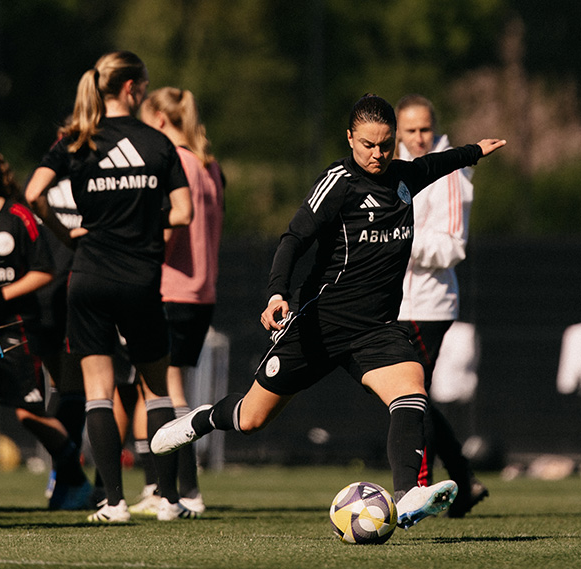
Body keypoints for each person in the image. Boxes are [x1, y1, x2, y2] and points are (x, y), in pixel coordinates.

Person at [152, 94, 505, 529]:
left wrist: (475, 152)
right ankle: (202, 419)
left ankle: (407, 493)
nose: (378, 154)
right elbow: (293, 240)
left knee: (411, 390)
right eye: (368, 145)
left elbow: (441, 163)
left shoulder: (403, 177)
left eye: (386, 145)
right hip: (319, 325)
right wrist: (276, 294)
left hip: (375, 329)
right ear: (350, 138)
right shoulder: (338, 181)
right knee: (252, 417)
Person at [25, 51, 193, 524]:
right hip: (140, 280)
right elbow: (183, 213)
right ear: (135, 88)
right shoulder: (158, 142)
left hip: (90, 277)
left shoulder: (77, 140)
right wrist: (143, 221)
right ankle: (169, 499)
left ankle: (113, 504)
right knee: (157, 391)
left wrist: (67, 234)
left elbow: (33, 193)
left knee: (98, 392)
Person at [0, 148, 92, 510]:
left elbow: (44, 269)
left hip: (19, 324)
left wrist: (0, 295)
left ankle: (75, 477)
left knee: (29, 412)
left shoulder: (18, 215)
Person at [130, 87, 225, 516]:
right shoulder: (210, 164)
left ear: (161, 121)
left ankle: (178, 490)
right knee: (175, 388)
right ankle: (179, 487)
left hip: (171, 288)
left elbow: (169, 230)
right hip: (202, 294)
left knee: (164, 391)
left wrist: (141, 266)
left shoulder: (174, 161)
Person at [395, 94, 488, 518]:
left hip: (429, 305)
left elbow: (452, 246)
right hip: (392, 303)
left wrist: (397, 243)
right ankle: (464, 481)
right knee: (409, 395)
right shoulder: (390, 167)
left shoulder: (449, 172)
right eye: (410, 130)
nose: (418, 138)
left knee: (410, 395)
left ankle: (419, 488)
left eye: (424, 129)